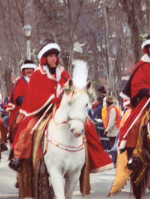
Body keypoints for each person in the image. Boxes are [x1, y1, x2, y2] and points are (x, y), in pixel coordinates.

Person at [9, 42, 113, 173]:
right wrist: (51, 98)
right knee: (29, 128)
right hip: (43, 111)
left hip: (62, 109)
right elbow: (34, 94)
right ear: (44, 59)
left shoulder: (63, 73)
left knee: (88, 124)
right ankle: (19, 157)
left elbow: (72, 89)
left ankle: (93, 160)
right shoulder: (37, 74)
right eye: (51, 56)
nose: (54, 58)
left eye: (55, 56)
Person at [119, 33, 150, 170]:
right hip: (146, 102)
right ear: (147, 49)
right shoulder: (142, 65)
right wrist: (149, 91)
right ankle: (133, 154)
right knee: (136, 124)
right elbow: (136, 86)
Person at [6, 60, 37, 144]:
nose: (29, 70)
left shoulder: (38, 81)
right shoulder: (20, 81)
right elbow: (18, 96)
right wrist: (27, 103)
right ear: (23, 71)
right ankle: (15, 143)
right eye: (26, 69)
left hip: (39, 107)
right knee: (18, 123)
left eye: (30, 68)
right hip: (24, 109)